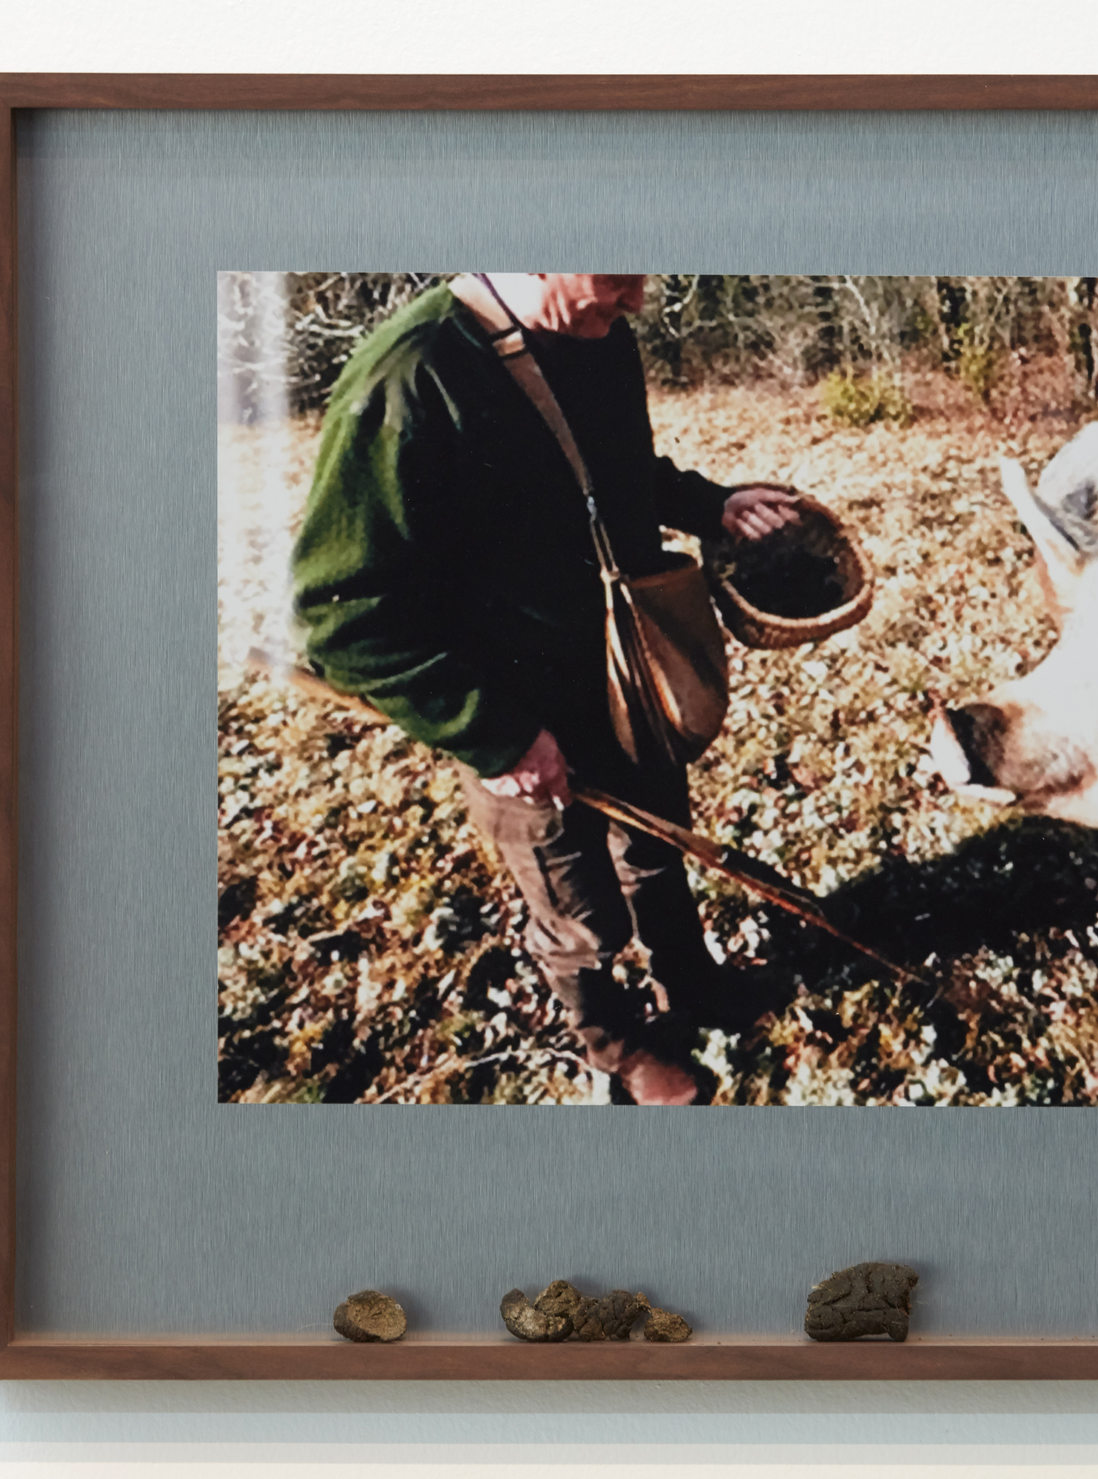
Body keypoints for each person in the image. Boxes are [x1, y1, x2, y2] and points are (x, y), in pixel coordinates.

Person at [290, 273, 799, 1105]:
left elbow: (609, 476)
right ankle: (615, 1045)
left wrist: (712, 504)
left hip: (629, 677)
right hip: (519, 713)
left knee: (659, 847)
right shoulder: (407, 379)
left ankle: (690, 981)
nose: (637, 301)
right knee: (577, 911)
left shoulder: (599, 332)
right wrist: (495, 736)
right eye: (617, 275)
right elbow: (341, 616)